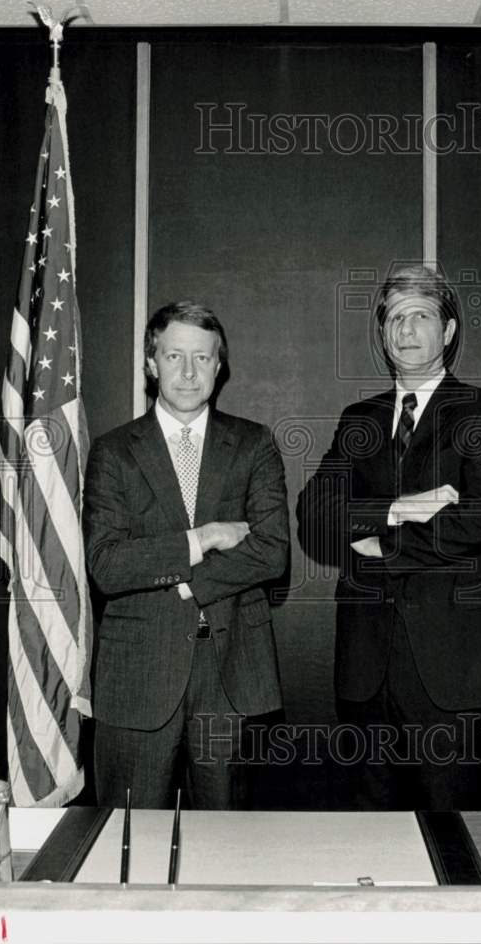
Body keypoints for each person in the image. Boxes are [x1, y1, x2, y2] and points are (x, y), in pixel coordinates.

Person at [296, 265, 481, 810]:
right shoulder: (361, 418)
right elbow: (314, 516)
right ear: (382, 335)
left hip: (455, 669)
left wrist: (380, 542)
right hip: (366, 669)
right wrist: (403, 508)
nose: (406, 330)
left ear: (447, 331)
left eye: (421, 316)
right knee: (372, 842)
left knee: (455, 844)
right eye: (395, 319)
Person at [83, 301, 289, 809]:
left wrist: (188, 581)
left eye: (202, 357)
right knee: (128, 840)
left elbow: (272, 552)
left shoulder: (253, 444)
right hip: (138, 674)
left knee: (229, 852)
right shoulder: (113, 451)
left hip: (231, 674)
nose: (189, 371)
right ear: (151, 364)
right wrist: (204, 538)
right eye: (175, 356)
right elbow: (108, 564)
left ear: (220, 366)